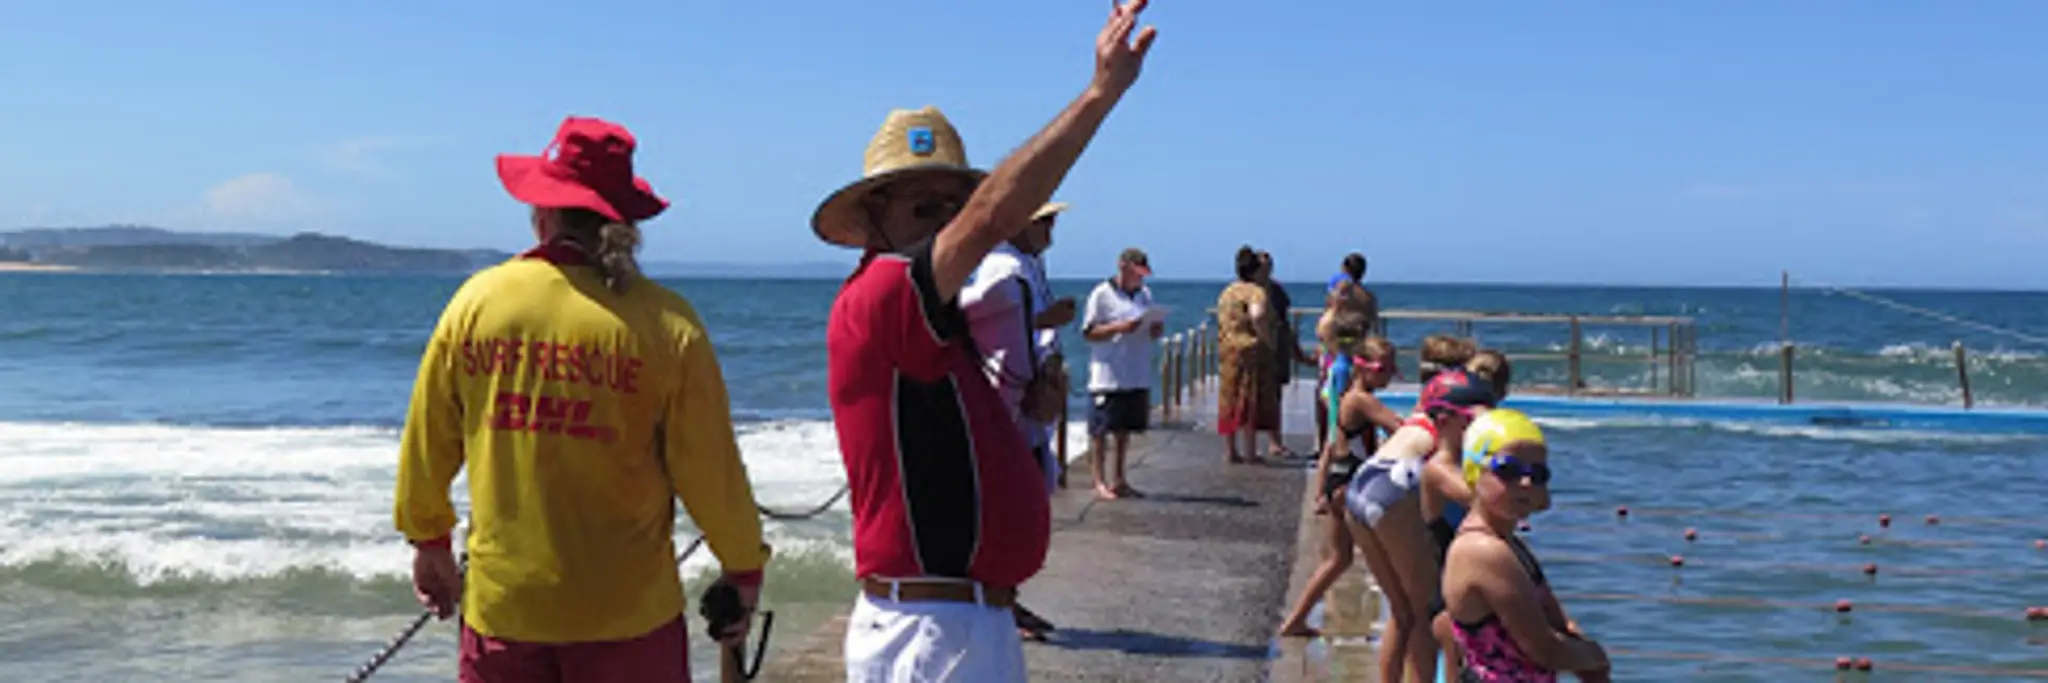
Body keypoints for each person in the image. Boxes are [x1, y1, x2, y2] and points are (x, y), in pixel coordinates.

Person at [816, 4, 1157, 680]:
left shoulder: (932, 314)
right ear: (876, 217)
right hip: (932, 630)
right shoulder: (885, 291)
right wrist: (1099, 94)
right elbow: (992, 213)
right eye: (923, 208)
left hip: (952, 621)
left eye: (951, 206)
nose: (945, 225)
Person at [394, 116, 769, 683]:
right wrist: (742, 568)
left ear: (542, 212)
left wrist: (429, 540)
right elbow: (710, 470)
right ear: (624, 221)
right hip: (630, 619)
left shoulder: (477, 302)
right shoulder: (667, 323)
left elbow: (427, 444)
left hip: (507, 612)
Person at [960, 200, 1076, 640]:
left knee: (1022, 500)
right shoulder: (1003, 266)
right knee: (1010, 506)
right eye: (1044, 223)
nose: (1050, 233)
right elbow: (986, 324)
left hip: (1023, 404)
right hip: (1012, 405)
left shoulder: (1023, 265)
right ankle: (1000, 597)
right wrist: (1046, 319)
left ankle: (1007, 596)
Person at [1344, 368, 1497, 683]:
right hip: (1394, 489)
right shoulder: (1448, 441)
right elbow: (1467, 493)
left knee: (1401, 611)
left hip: (1362, 486)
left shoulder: (1417, 422)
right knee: (1422, 613)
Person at [1442, 409, 1612, 682]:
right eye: (1508, 470)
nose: (1525, 483)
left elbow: (1558, 624)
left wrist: (1588, 663)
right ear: (1474, 470)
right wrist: (1595, 656)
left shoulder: (1510, 545)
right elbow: (1542, 649)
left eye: (1538, 474)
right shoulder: (1483, 551)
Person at [1277, 334, 1402, 637]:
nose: (1388, 376)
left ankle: (1296, 620)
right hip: (1350, 485)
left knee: (1339, 559)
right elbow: (1398, 426)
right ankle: (1404, 615)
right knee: (1386, 554)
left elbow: (1331, 448)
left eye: (1391, 369)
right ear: (1363, 368)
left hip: (1340, 479)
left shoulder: (1348, 397)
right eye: (1383, 369)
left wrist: (1322, 489)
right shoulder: (1361, 400)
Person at [1425, 348, 1513, 679]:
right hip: (1445, 584)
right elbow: (1489, 501)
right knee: (1454, 658)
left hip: (1467, 577)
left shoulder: (1469, 465)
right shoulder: (1439, 468)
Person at [1079, 247, 1161, 500]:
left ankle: (1119, 478)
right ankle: (1099, 480)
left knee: (1124, 430)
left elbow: (1151, 330)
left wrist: (1154, 328)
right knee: (1100, 431)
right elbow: (1089, 332)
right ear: (1123, 267)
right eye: (1137, 273)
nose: (1141, 278)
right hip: (1108, 373)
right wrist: (1119, 328)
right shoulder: (1101, 294)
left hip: (1135, 372)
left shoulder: (1144, 294)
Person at [1215, 245, 1277, 464]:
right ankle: (1250, 451)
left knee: (1229, 398)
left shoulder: (1227, 292)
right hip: (1250, 349)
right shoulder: (1256, 292)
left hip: (1227, 348)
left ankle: (1230, 450)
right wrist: (1267, 339)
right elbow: (1257, 315)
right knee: (1250, 399)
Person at [1256, 251, 1313, 457]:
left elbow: (1284, 321)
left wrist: (1295, 349)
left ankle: (1275, 441)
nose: (1266, 270)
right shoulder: (1248, 292)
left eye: (1269, 266)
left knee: (1275, 394)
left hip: (1277, 344)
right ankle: (1251, 442)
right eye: (1262, 267)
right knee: (1253, 395)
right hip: (1256, 346)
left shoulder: (1277, 291)